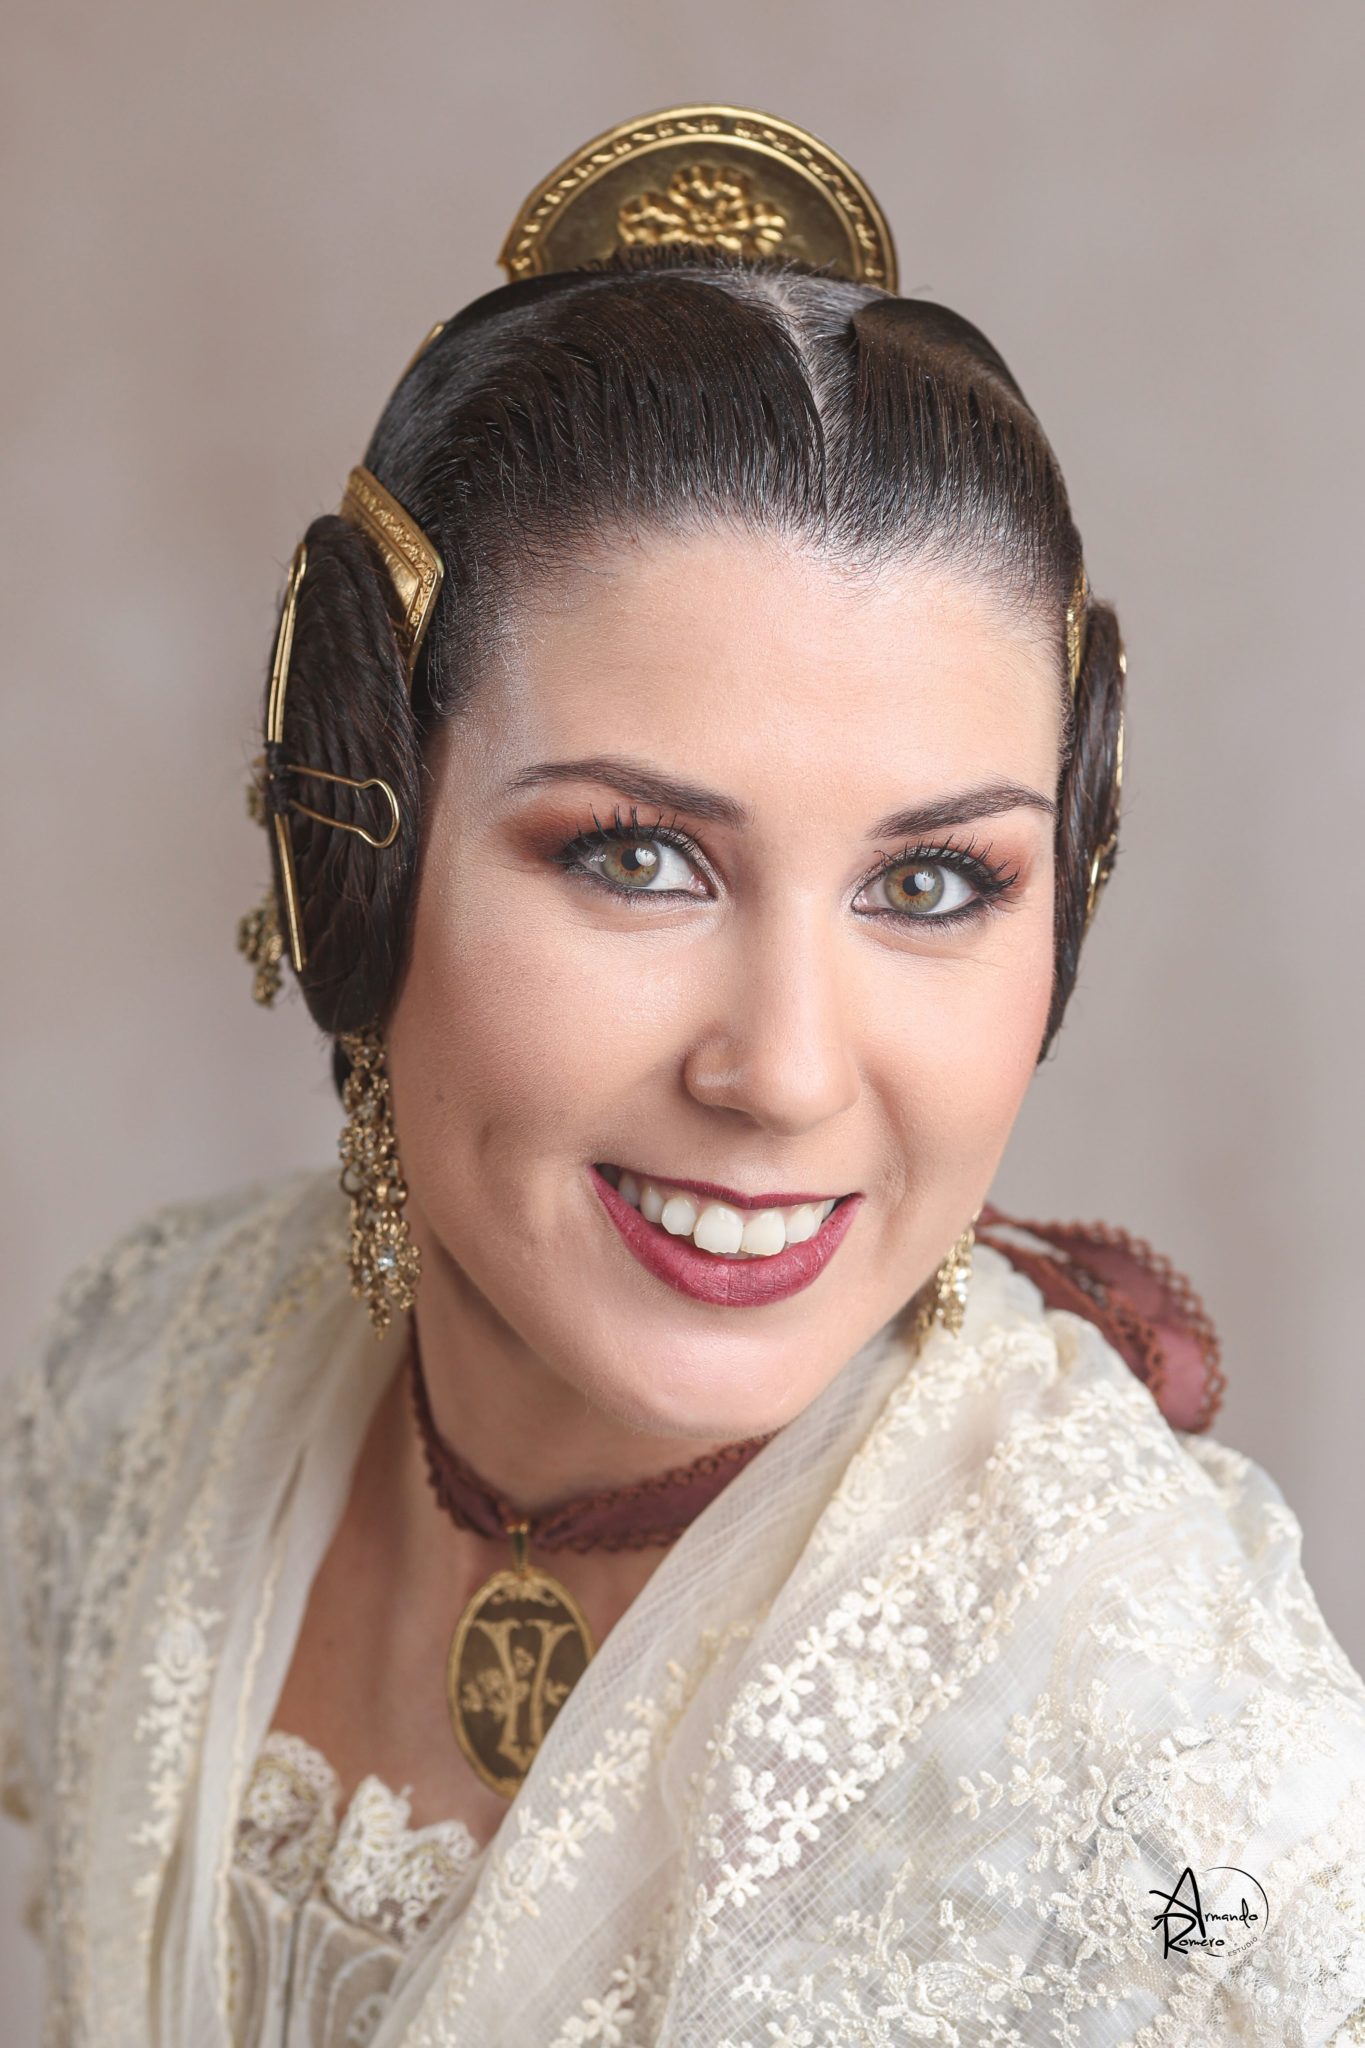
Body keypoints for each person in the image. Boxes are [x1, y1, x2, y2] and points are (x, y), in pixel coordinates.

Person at [2, 104, 1363, 2048]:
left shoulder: (1185, 1774)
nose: (783, 1072)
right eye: (638, 858)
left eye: (928, 882)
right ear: (350, 840)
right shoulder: (146, 1387)